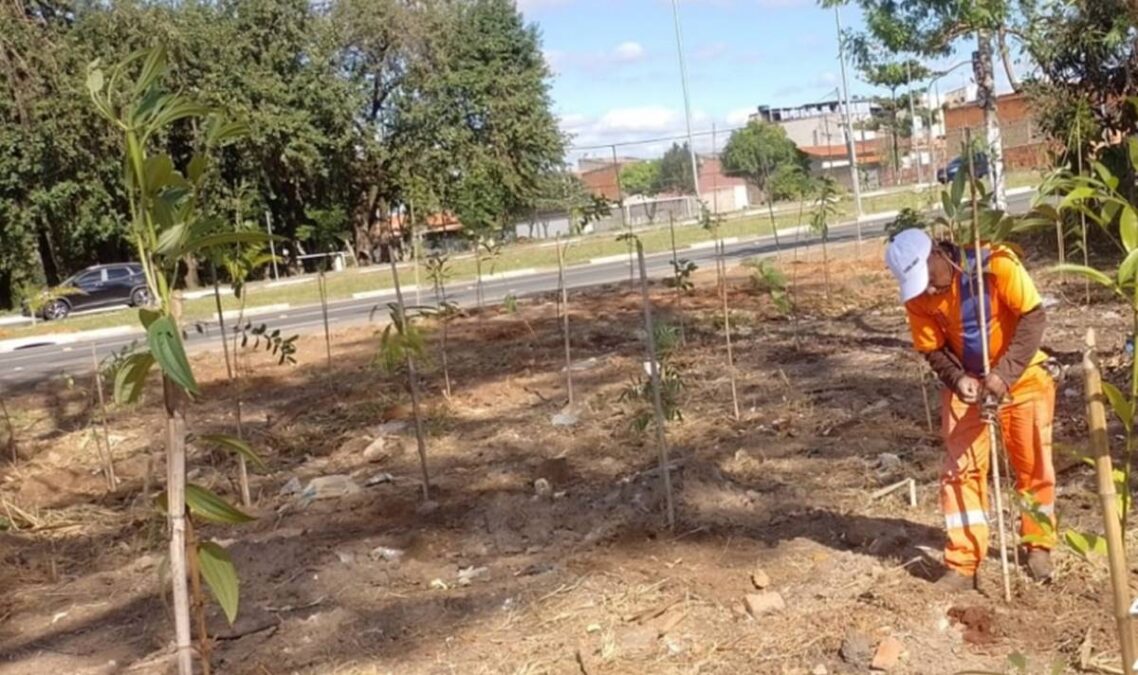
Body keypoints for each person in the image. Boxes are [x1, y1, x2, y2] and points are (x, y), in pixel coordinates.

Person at [885, 228, 1056, 592]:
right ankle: (963, 562)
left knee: (1032, 464)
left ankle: (1038, 545)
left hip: (1022, 376)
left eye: (929, 277)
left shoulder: (996, 264)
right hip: (969, 387)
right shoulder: (918, 297)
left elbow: (1033, 317)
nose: (927, 288)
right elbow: (932, 349)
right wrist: (959, 379)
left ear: (938, 254)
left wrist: (1004, 375)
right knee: (960, 471)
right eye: (918, 284)